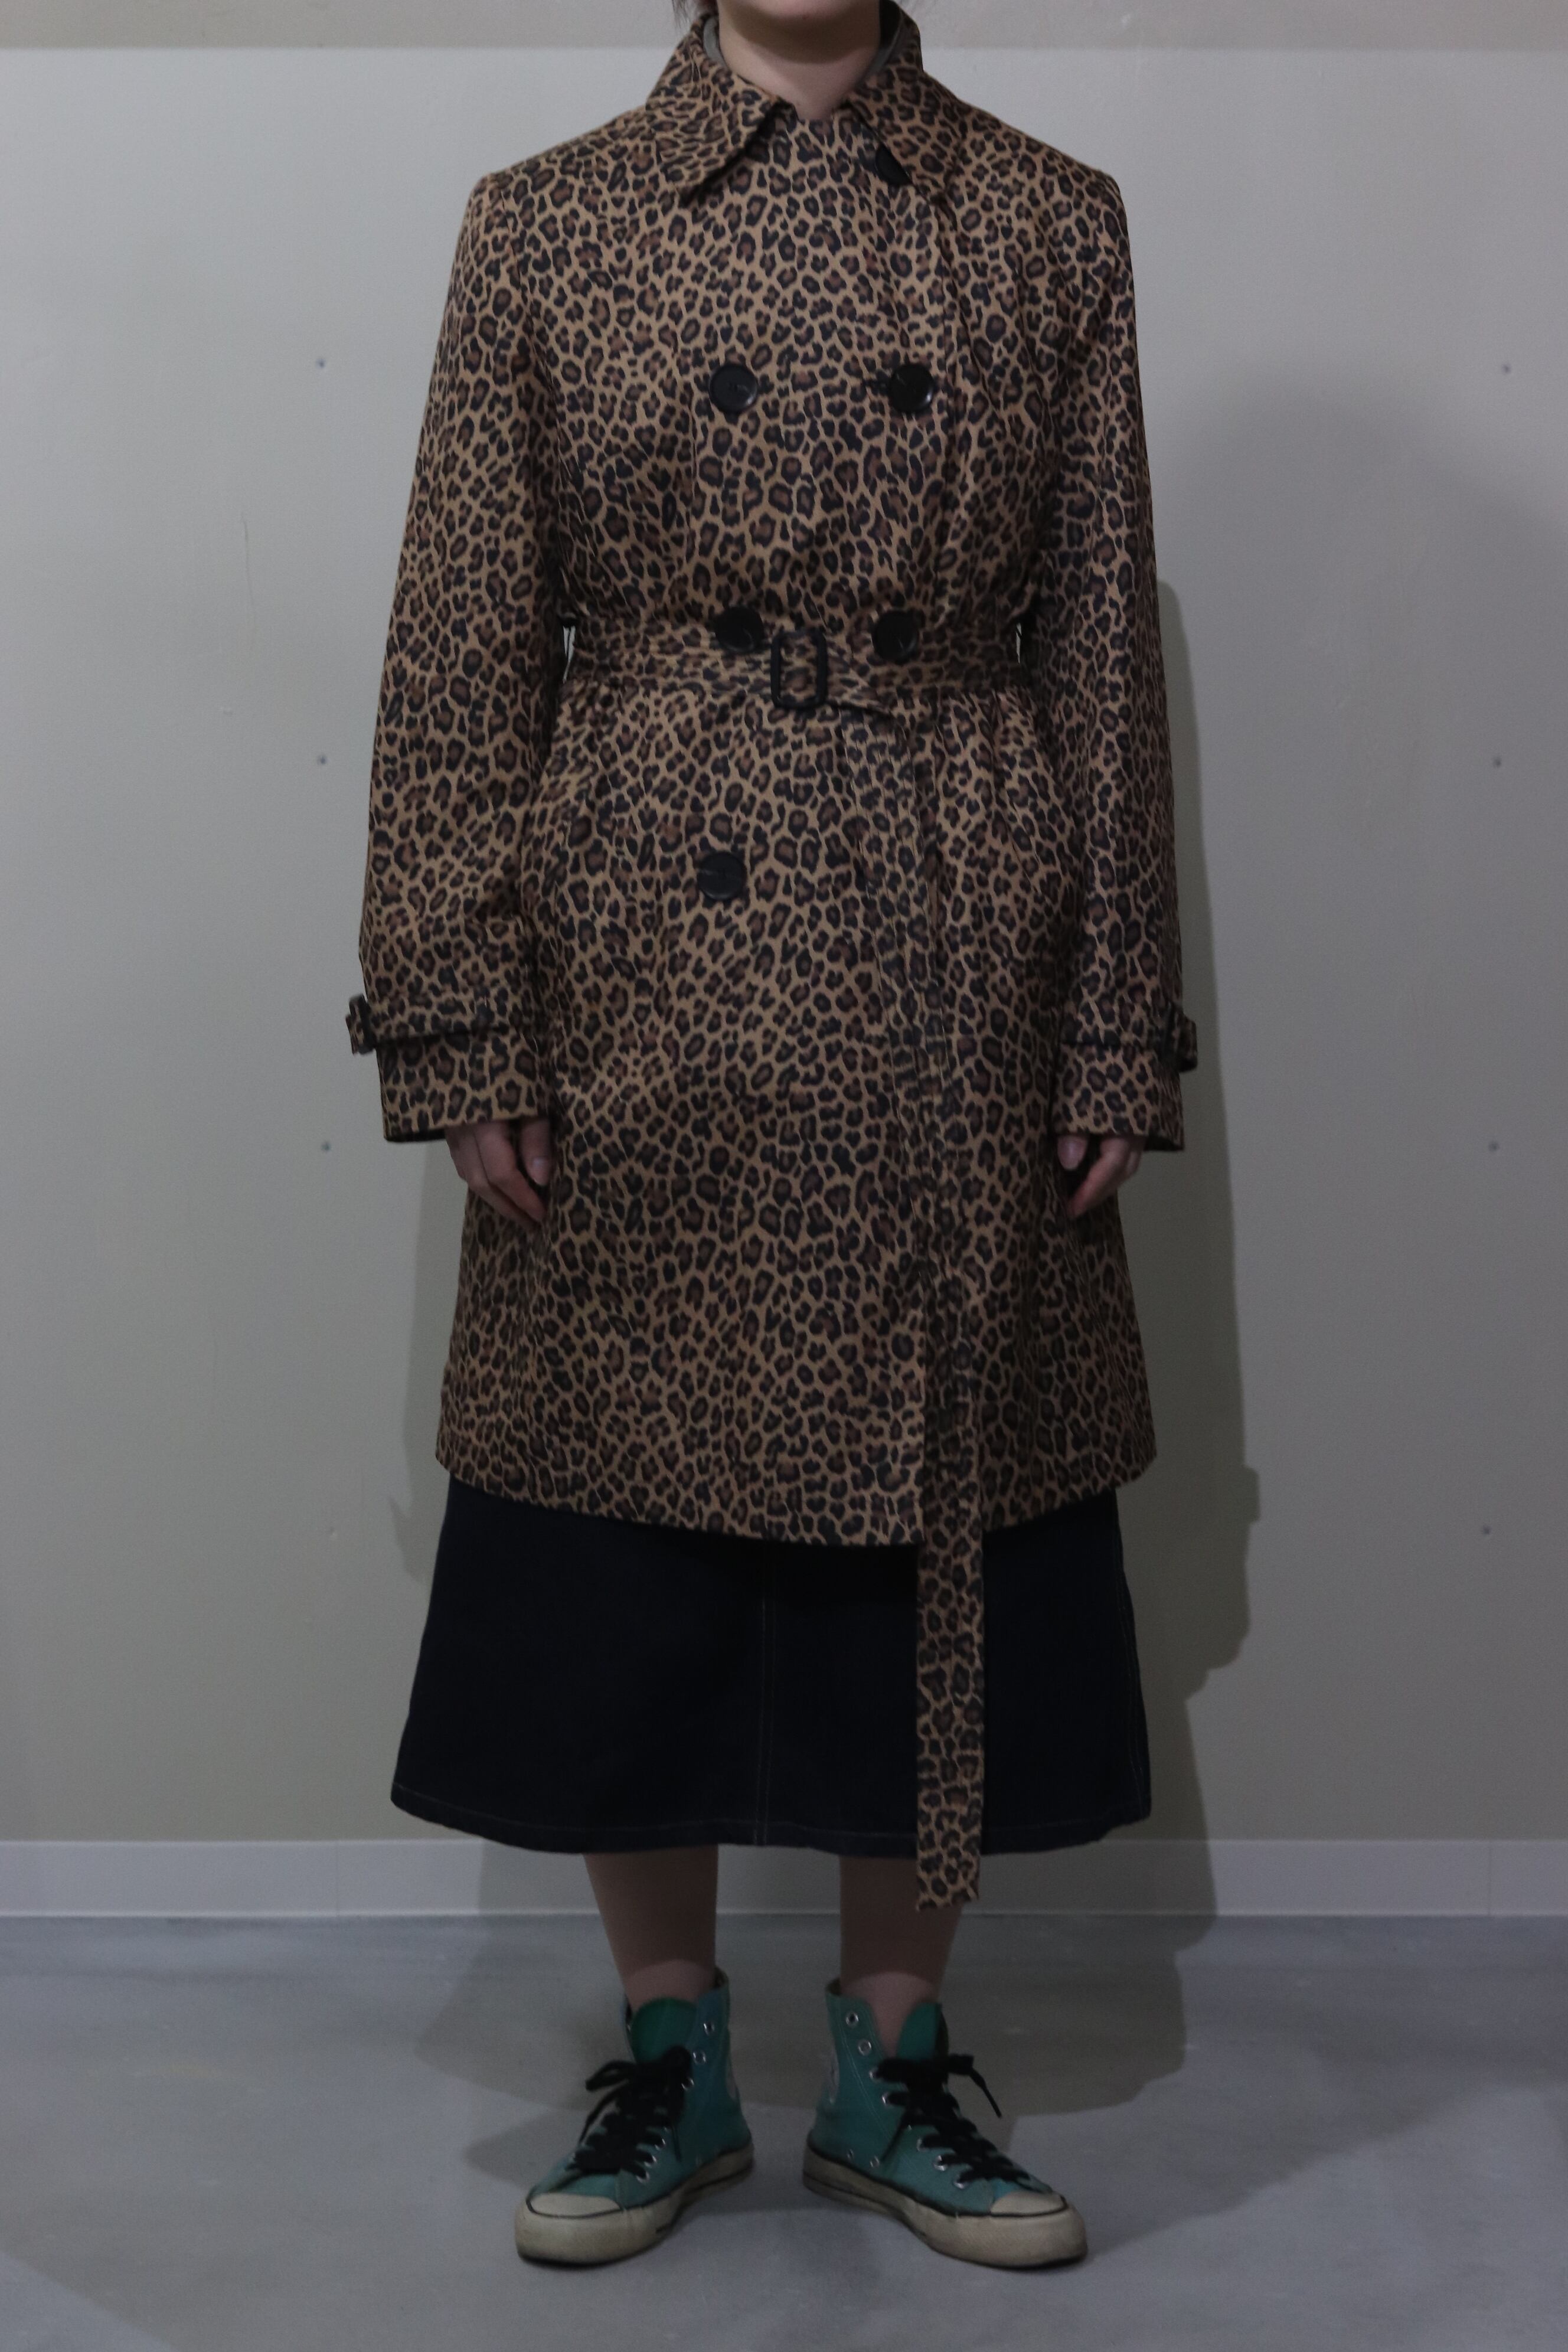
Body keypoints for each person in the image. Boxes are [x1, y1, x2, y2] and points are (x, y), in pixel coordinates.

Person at [348, 0, 1196, 2275]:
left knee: (946, 1503)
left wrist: (1114, 1019)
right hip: (640, 933)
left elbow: (1099, 652)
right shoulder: (546, 225)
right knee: (621, 1514)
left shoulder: (1048, 221)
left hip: (955, 927)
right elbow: (460, 647)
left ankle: (900, 2068)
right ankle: (672, 2054)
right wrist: (460, 1012)